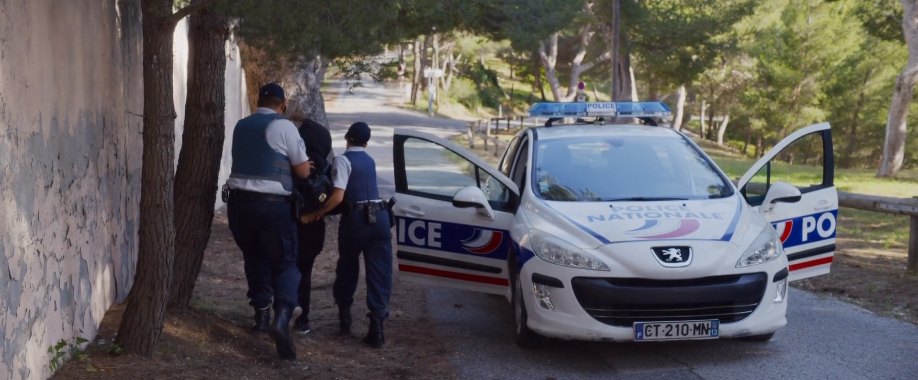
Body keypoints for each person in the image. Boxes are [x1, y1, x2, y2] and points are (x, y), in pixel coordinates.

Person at [224, 83, 311, 360]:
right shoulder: (284, 127)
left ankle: (261, 315)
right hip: (272, 206)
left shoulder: (241, 125)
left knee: (254, 257)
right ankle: (283, 316)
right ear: (282, 104)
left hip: (238, 206)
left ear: (257, 100)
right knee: (285, 262)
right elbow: (302, 170)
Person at [301, 121, 393, 348]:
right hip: (380, 218)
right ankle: (377, 326)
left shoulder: (342, 161)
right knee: (379, 272)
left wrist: (317, 213)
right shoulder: (369, 160)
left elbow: (339, 196)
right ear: (367, 142)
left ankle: (345, 318)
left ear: (347, 138)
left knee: (348, 268)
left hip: (357, 220)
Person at [293, 117, 333, 335]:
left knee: (287, 270)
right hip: (314, 231)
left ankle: (285, 312)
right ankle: (303, 320)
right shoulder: (326, 168)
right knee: (305, 274)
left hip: (293, 226)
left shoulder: (295, 165)